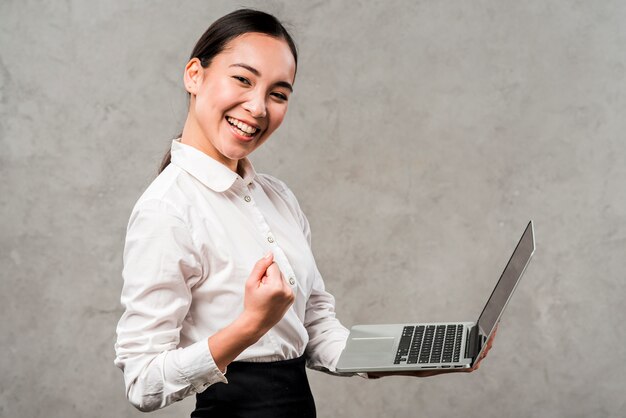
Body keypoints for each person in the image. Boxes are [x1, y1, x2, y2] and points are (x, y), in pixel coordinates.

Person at [114, 8, 494, 418]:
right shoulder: (167, 210)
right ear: (195, 75)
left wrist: (413, 358)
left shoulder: (277, 197)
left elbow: (318, 333)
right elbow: (143, 382)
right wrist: (250, 325)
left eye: (278, 94)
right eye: (242, 79)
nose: (258, 108)